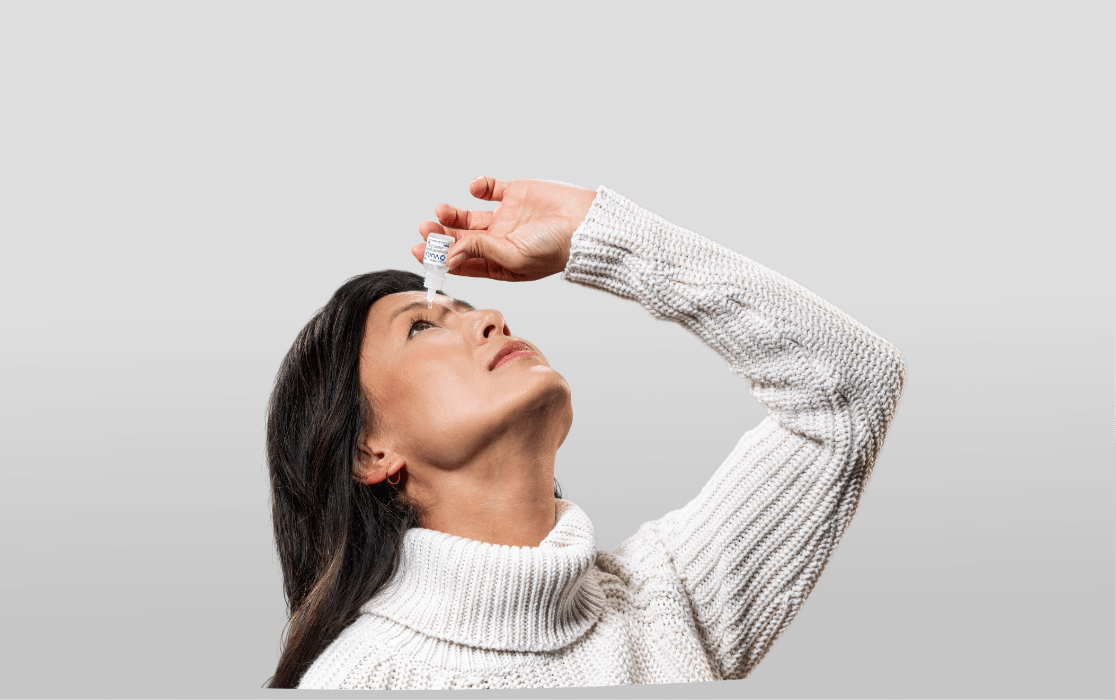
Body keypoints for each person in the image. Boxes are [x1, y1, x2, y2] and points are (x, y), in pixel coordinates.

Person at [264, 176, 906, 689]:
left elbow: (850, 388)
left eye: (470, 306)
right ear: (370, 451)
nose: (491, 316)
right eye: (423, 326)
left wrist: (592, 234)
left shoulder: (669, 602)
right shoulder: (366, 681)